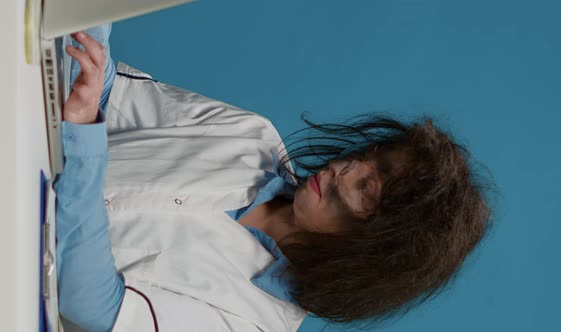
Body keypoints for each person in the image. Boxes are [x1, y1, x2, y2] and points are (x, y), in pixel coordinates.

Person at [55, 24, 495, 332]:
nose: (346, 168)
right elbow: (105, 93)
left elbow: (92, 305)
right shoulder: (252, 135)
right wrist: (88, 18)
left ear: (376, 250)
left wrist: (83, 140)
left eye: (367, 189)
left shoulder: (251, 321)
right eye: (368, 158)